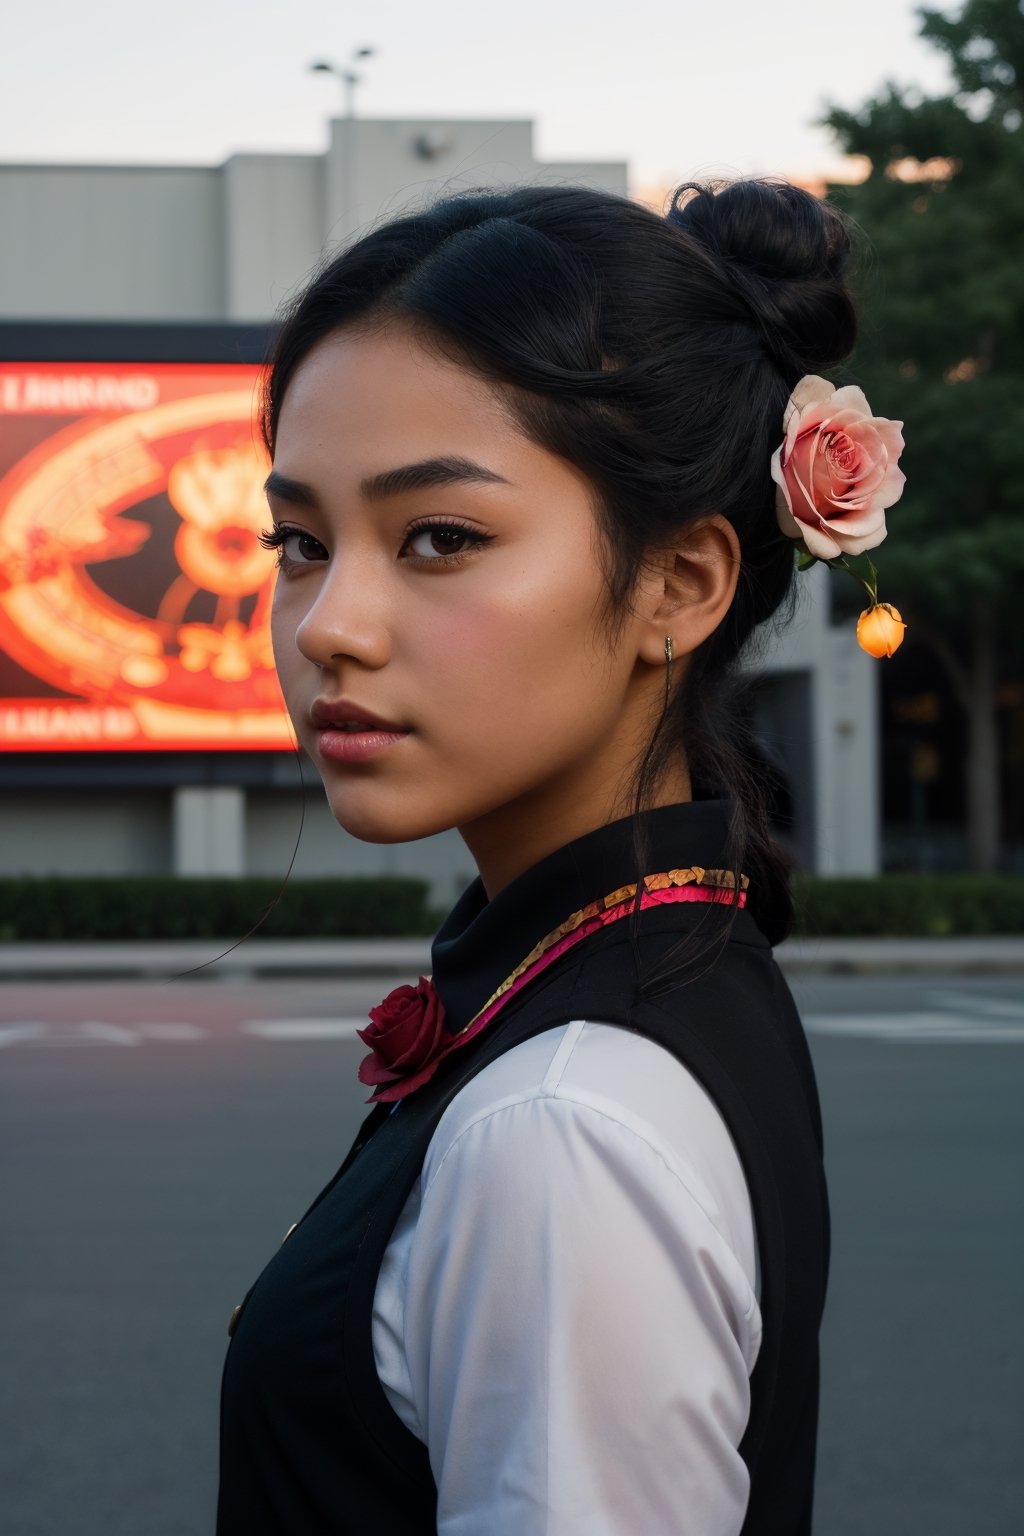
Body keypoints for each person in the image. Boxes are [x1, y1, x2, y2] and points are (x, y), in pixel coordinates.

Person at [215, 177, 888, 1536]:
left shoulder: (560, 1125)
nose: (328, 625)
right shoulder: (655, 968)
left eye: (441, 539)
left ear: (680, 584)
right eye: (300, 540)